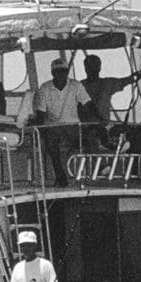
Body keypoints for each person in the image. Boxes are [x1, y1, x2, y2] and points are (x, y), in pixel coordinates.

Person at [33, 57, 99, 186]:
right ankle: (60, 175)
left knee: (91, 134)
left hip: (73, 125)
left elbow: (88, 104)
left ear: (67, 71)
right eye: (57, 71)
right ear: (53, 73)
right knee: (50, 138)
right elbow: (40, 114)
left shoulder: (76, 85)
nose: (61, 74)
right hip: (53, 126)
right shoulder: (45, 88)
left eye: (63, 71)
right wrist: (41, 132)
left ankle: (92, 175)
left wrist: (99, 120)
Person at [80, 54, 141, 124]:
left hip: (102, 128)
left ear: (99, 67)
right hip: (85, 128)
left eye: (94, 66)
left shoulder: (107, 83)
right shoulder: (79, 86)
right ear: (85, 68)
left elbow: (130, 79)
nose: (92, 69)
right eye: (90, 66)